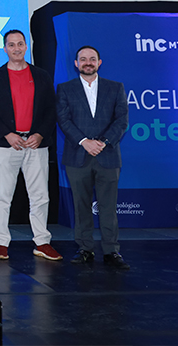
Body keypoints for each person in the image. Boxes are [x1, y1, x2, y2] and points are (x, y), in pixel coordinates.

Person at [0, 30, 61, 261]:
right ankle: (0, 243)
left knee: (40, 195)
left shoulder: (42, 75)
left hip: (36, 144)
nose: (16, 48)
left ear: (26, 46)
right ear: (4, 48)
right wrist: (7, 134)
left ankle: (42, 242)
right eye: (11, 45)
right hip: (7, 145)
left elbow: (50, 110)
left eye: (20, 44)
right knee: (2, 196)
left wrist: (39, 134)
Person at [56, 45, 130, 270]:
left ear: (99, 62)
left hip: (107, 155)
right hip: (78, 155)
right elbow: (63, 119)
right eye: (83, 59)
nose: (87, 62)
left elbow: (122, 120)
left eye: (92, 59)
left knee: (109, 206)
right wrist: (84, 142)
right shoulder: (65, 89)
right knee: (81, 206)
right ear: (76, 63)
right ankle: (85, 248)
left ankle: (111, 251)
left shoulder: (115, 88)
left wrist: (103, 142)